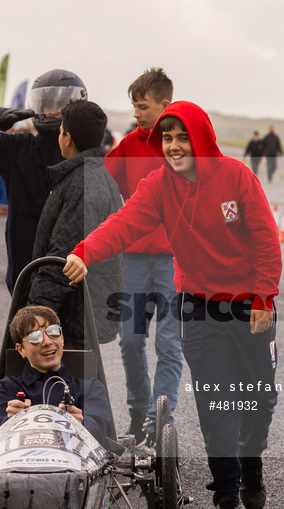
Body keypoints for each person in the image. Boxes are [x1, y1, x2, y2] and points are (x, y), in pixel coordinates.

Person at [64, 101, 281, 509]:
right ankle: (226, 498)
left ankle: (251, 459)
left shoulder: (237, 177)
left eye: (182, 137)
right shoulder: (159, 186)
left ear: (200, 138)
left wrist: (263, 296)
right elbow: (123, 223)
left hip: (250, 304)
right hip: (199, 304)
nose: (174, 146)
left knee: (259, 398)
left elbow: (265, 237)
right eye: (167, 138)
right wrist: (84, 252)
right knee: (215, 401)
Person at [103, 67, 184, 447]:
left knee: (169, 344)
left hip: (173, 261)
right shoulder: (126, 148)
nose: (136, 113)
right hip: (133, 259)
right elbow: (107, 187)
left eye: (142, 106)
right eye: (133, 106)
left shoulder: (181, 145)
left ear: (164, 105)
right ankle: (138, 407)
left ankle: (157, 421)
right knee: (131, 340)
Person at [0, 69, 88, 293]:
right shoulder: (18, 149)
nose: (51, 112)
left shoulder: (85, 153)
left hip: (73, 262)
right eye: (46, 104)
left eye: (59, 106)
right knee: (26, 324)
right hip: (25, 262)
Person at [28, 99, 124, 348]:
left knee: (64, 384)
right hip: (86, 309)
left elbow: (61, 258)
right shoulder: (99, 175)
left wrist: (35, 316)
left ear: (67, 137)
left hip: (75, 314)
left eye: (61, 130)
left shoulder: (81, 183)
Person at [0, 306, 113, 445]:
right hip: (19, 465)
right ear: (21, 349)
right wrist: (9, 423)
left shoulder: (90, 388)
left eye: (53, 332)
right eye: (35, 337)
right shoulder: (4, 389)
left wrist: (80, 425)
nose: (47, 342)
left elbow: (99, 436)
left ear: (61, 338)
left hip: (71, 464)